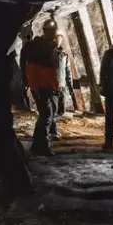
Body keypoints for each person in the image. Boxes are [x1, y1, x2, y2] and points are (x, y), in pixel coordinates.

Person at [24, 18, 62, 156]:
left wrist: (56, 86)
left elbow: (54, 71)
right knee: (46, 115)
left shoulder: (51, 47)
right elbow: (31, 68)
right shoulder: (37, 46)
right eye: (51, 31)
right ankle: (43, 146)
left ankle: (37, 145)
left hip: (48, 86)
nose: (53, 34)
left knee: (47, 115)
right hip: (41, 86)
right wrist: (34, 87)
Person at [51, 34, 76, 140]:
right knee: (53, 110)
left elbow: (68, 72)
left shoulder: (63, 55)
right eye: (56, 38)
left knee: (61, 110)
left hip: (62, 86)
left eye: (60, 39)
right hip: (52, 86)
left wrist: (70, 87)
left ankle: (51, 127)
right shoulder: (49, 54)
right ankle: (53, 131)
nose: (58, 41)